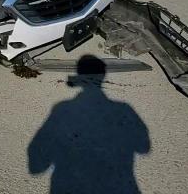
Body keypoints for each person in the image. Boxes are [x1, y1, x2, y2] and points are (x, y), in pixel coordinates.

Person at [28, 55, 150, 194]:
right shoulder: (124, 109)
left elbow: (37, 153)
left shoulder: (62, 109)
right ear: (102, 76)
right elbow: (143, 147)